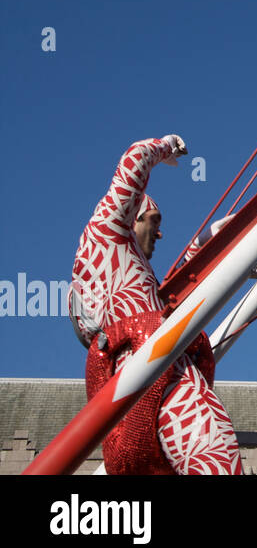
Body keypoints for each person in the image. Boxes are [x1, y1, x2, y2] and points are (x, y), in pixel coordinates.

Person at [70, 135, 243, 474]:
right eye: (155, 220)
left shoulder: (115, 275)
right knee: (217, 457)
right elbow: (134, 159)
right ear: (131, 215)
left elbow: (172, 300)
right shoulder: (106, 234)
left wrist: (208, 240)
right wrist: (166, 146)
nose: (160, 233)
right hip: (166, 382)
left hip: (122, 414)